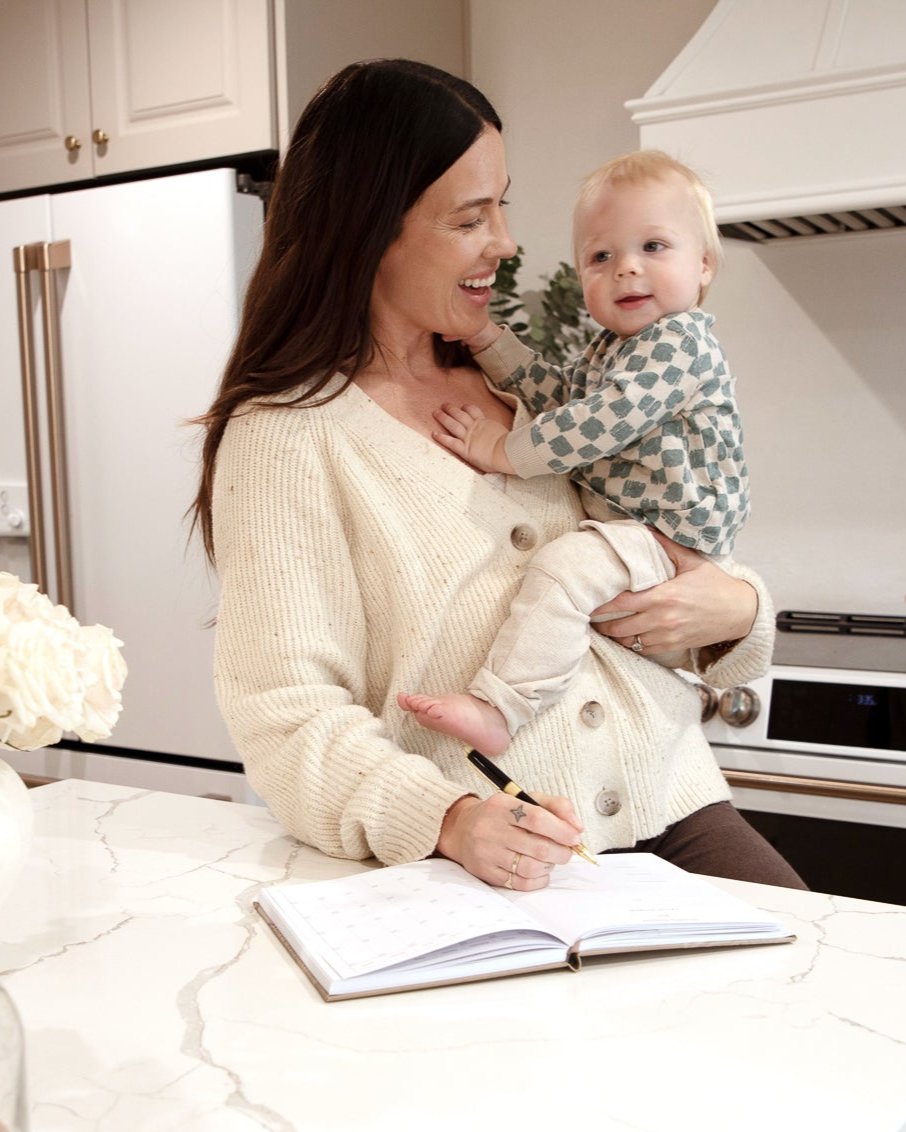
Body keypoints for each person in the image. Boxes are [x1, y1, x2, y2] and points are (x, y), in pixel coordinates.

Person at [192, 59, 805, 893]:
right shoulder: (288, 437)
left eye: (502, 207)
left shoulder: (518, 394)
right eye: (470, 217)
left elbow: (643, 546)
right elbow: (286, 715)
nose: (506, 243)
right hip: (505, 853)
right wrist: (446, 819)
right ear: (369, 228)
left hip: (678, 801)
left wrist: (738, 611)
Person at [398, 150, 748, 760]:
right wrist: (488, 340)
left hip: (665, 533)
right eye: (600, 256)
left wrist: (500, 449)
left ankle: (502, 706)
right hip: (640, 527)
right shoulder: (613, 348)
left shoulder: (680, 342)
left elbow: (599, 422)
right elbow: (562, 399)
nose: (626, 268)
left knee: (565, 570)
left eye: (654, 247)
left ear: (704, 265)